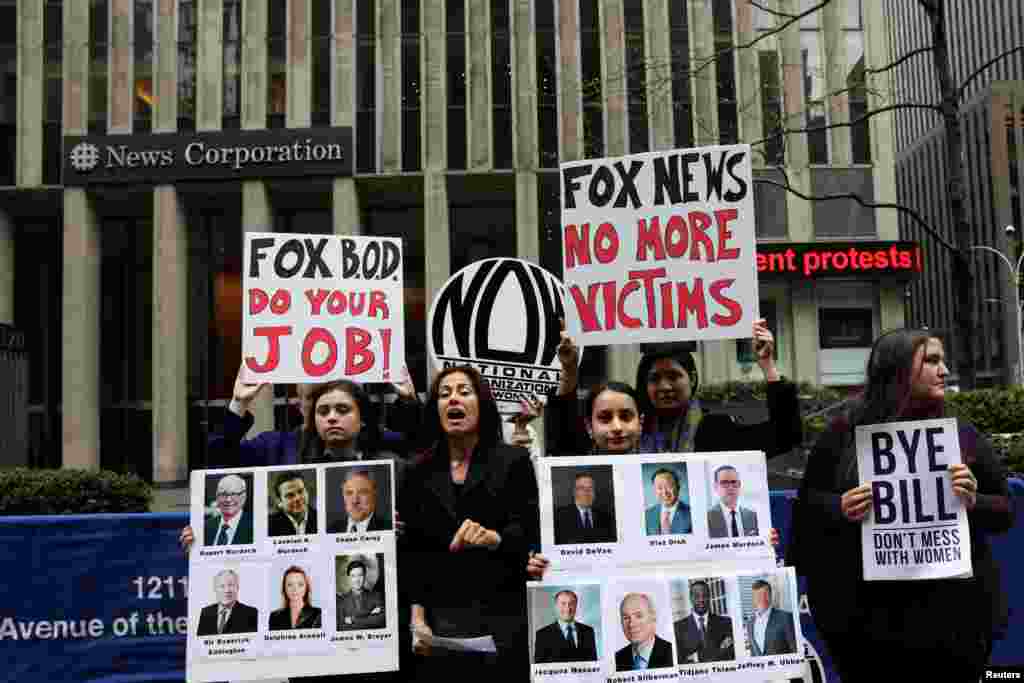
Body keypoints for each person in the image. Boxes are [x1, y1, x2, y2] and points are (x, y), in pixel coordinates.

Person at [787, 329, 1015, 682]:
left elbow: (1005, 512)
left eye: (943, 361)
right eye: (932, 361)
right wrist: (841, 507)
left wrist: (974, 501)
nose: (945, 371)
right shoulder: (843, 434)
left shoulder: (961, 434)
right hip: (864, 624)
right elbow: (805, 515)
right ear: (896, 370)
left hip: (952, 623)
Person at [401, 365, 540, 680]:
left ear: (482, 404)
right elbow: (413, 554)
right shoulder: (416, 471)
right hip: (440, 625)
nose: (453, 399)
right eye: (444, 394)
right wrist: (417, 620)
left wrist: (494, 538)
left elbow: (529, 529)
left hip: (502, 621)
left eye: (464, 392)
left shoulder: (513, 461)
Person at [181, 379, 406, 551]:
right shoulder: (276, 446)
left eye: (342, 407)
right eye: (316, 401)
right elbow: (220, 461)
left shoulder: (386, 457)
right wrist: (202, 538)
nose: (331, 416)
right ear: (300, 405)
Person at [548, 319, 801, 457]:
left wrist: (767, 366)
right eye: (655, 378)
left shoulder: (717, 431)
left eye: (674, 376)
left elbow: (784, 437)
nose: (665, 386)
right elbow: (566, 445)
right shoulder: (625, 432)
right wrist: (569, 370)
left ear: (691, 378)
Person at [674, 580, 734, 663]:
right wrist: (719, 649)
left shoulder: (727, 623)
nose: (701, 600)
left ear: (709, 597)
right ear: (691, 598)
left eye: (704, 595)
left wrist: (696, 657)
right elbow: (680, 662)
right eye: (697, 596)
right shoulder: (678, 628)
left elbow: (730, 655)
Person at [533, 589, 598, 664]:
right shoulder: (542, 634)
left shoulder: (588, 631)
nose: (567, 608)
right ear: (556, 606)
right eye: (563, 603)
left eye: (571, 603)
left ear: (576, 606)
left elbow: (593, 664)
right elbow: (539, 669)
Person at [614, 593, 673, 671]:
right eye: (626, 618)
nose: (631, 624)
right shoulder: (617, 658)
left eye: (639, 616)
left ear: (653, 617)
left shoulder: (672, 653)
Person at [553, 471, 616, 544]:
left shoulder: (606, 518)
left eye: (590, 488)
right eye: (582, 488)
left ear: (594, 493)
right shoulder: (559, 517)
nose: (587, 493)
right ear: (574, 492)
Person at [327, 468, 392, 534]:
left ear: (374, 494)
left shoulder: (390, 529)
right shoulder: (331, 530)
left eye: (362, 492)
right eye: (349, 493)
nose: (355, 501)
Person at [196, 569, 259, 636]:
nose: (227, 590)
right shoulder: (205, 612)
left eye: (230, 585)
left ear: (237, 588)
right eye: (222, 586)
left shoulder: (250, 613)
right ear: (215, 589)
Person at [744, 580, 796, 656]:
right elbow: (753, 651)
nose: (762, 598)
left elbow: (795, 649)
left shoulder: (786, 617)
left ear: (771, 595)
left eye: (765, 594)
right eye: (758, 595)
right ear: (753, 599)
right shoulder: (750, 623)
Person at [707, 465, 759, 538]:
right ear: (716, 487)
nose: (730, 487)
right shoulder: (707, 518)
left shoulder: (753, 516)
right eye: (724, 483)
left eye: (734, 482)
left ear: (739, 485)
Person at [204, 474, 253, 545]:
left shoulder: (255, 525)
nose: (228, 499)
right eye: (223, 494)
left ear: (243, 497)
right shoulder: (206, 527)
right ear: (217, 497)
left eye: (233, 494)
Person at [268, 566, 323, 630]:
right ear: (284, 588)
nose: (295, 589)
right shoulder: (274, 617)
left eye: (300, 584)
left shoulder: (318, 614)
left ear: (306, 588)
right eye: (290, 584)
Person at [336, 560, 386, 631]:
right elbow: (342, 628)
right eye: (353, 576)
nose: (357, 580)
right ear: (348, 578)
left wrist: (353, 619)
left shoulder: (376, 596)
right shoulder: (341, 601)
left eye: (360, 575)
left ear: (365, 576)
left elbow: (380, 621)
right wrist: (369, 616)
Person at [268, 471, 317, 536]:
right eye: (290, 495)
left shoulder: (321, 519)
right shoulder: (269, 525)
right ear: (279, 502)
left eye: (300, 491)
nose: (297, 498)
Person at [644, 467, 692, 535]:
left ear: (678, 487)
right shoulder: (647, 515)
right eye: (659, 488)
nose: (664, 492)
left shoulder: (691, 514)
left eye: (669, 486)